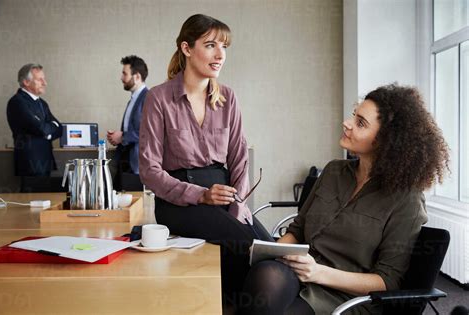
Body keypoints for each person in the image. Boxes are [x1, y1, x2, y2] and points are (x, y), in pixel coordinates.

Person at [240, 84, 450, 315]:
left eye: (360, 123)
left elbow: (387, 281)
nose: (347, 123)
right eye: (354, 116)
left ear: (385, 141)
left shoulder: (406, 199)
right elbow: (298, 230)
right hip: (300, 273)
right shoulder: (333, 172)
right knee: (264, 274)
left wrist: (318, 272)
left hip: (347, 298)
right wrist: (270, 252)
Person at [139, 13, 271, 307]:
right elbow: (149, 171)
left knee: (271, 251)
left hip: (225, 195)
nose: (220, 55)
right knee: (249, 248)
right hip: (178, 202)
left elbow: (239, 157)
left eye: (224, 47)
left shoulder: (228, 97)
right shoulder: (158, 98)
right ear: (186, 48)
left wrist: (239, 204)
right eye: (210, 45)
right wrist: (201, 195)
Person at [6, 63, 62, 180]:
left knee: (45, 197)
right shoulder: (17, 102)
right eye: (40, 80)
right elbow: (40, 128)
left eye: (44, 79)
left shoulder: (42, 103)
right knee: (30, 198)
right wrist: (49, 129)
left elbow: (60, 128)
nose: (45, 83)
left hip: (45, 162)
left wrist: (47, 131)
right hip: (30, 163)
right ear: (26, 82)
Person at [108, 55, 148, 191]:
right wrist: (118, 137)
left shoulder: (148, 98)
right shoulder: (133, 99)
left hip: (137, 164)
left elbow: (148, 132)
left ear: (136, 77)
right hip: (125, 161)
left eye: (124, 73)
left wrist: (122, 137)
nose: (121, 78)